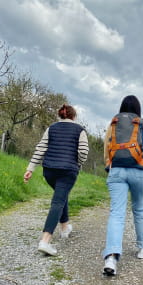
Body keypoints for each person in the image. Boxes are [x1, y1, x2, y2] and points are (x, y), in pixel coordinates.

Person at [102, 95, 143, 276]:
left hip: (117, 171)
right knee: (139, 209)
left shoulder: (113, 122)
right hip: (138, 172)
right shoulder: (142, 123)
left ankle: (111, 258)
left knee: (117, 213)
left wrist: (108, 165)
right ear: (138, 108)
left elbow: (107, 146)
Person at [24, 104, 89, 256]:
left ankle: (65, 227)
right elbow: (83, 152)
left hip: (49, 171)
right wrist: (78, 162)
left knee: (61, 195)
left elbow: (41, 148)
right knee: (58, 201)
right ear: (74, 116)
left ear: (60, 116)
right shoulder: (80, 130)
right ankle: (45, 241)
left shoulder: (51, 128)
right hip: (68, 171)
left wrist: (30, 168)